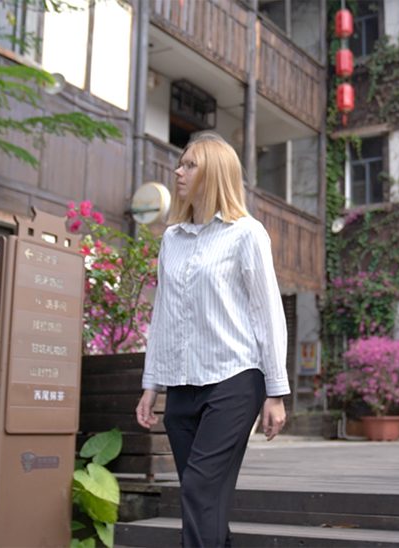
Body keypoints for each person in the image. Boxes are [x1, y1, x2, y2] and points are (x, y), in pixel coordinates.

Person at [135, 133, 289, 547]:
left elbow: (267, 313)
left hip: (234, 380)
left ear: (214, 173)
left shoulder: (246, 234)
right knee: (206, 499)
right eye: (180, 163)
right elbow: (163, 312)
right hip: (183, 386)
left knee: (199, 488)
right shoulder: (172, 239)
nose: (178, 171)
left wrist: (275, 392)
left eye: (189, 165)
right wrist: (152, 384)